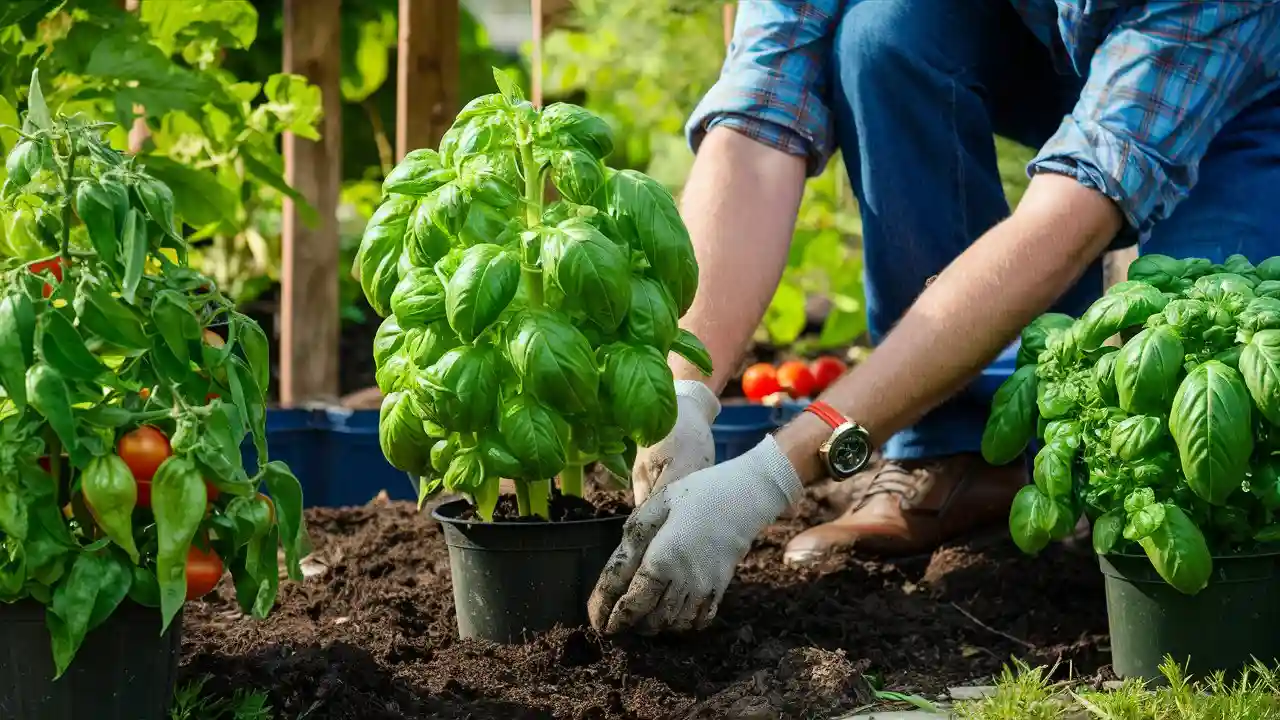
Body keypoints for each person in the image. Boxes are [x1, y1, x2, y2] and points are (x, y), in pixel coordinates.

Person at [587, 0, 1280, 637]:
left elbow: (1077, 206)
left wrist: (770, 474)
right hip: (1047, 39)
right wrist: (680, 386)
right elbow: (764, 92)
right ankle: (956, 455)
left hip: (1244, 78)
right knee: (885, 33)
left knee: (1210, 377)